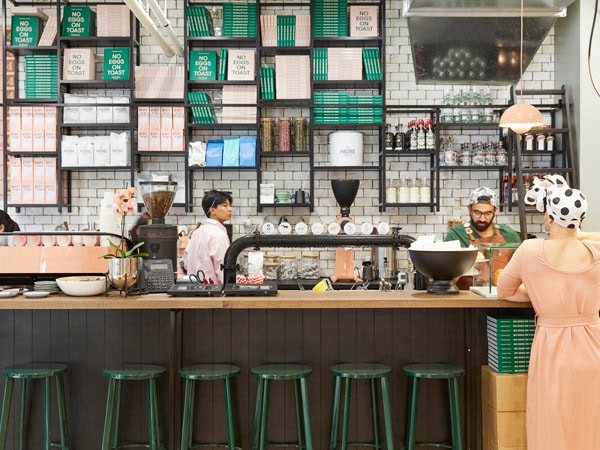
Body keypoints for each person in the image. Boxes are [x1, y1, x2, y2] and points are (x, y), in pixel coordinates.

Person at [497, 175, 600, 450]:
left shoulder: (530, 250)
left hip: (552, 348)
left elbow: (504, 291)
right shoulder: (597, 250)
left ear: (549, 219)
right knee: (591, 422)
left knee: (551, 422)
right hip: (593, 346)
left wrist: (540, 294)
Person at [444, 186, 521, 247]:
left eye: (487, 214)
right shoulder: (456, 235)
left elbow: (521, 264)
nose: (482, 219)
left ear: (495, 211)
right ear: (469, 209)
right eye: (477, 213)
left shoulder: (509, 234)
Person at [183, 190, 232, 284]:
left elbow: (186, 263)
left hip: (193, 291)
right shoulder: (219, 235)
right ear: (212, 210)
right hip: (214, 294)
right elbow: (222, 270)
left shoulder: (196, 233)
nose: (230, 209)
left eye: (229, 205)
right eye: (225, 205)